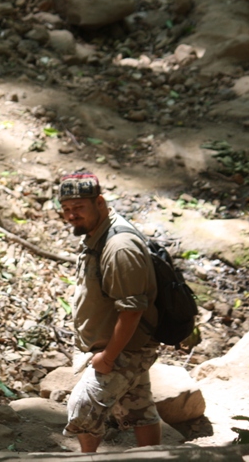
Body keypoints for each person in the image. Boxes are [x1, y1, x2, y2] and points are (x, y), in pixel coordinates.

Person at [58, 170, 161, 453]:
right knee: (139, 410)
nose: (71, 215)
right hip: (123, 345)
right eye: (66, 209)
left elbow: (131, 311)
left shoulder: (118, 246)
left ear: (100, 202)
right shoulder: (98, 234)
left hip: (124, 348)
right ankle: (155, 459)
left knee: (82, 409)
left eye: (79, 207)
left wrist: (108, 357)